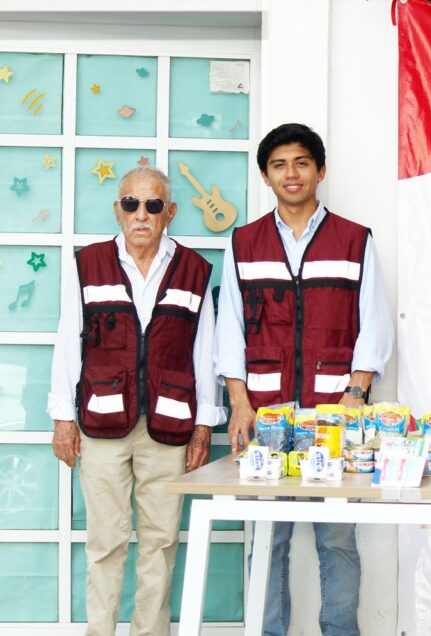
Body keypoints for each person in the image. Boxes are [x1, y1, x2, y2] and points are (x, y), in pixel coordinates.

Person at [214, 123, 394, 636]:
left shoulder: (354, 239)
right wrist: (239, 402)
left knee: (337, 539)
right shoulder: (244, 242)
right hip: (266, 417)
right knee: (267, 538)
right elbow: (230, 327)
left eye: (300, 163)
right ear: (265, 176)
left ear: (320, 170)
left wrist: (355, 394)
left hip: (333, 414)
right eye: (279, 165)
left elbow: (374, 323)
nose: (290, 174)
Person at [49, 165, 220, 636]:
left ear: (170, 212)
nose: (141, 214)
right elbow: (68, 341)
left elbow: (204, 351)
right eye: (131, 203)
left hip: (169, 428)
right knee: (105, 541)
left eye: (153, 204)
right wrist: (63, 417)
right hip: (101, 424)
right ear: (118, 210)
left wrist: (204, 424)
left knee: (160, 544)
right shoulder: (88, 264)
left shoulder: (194, 270)